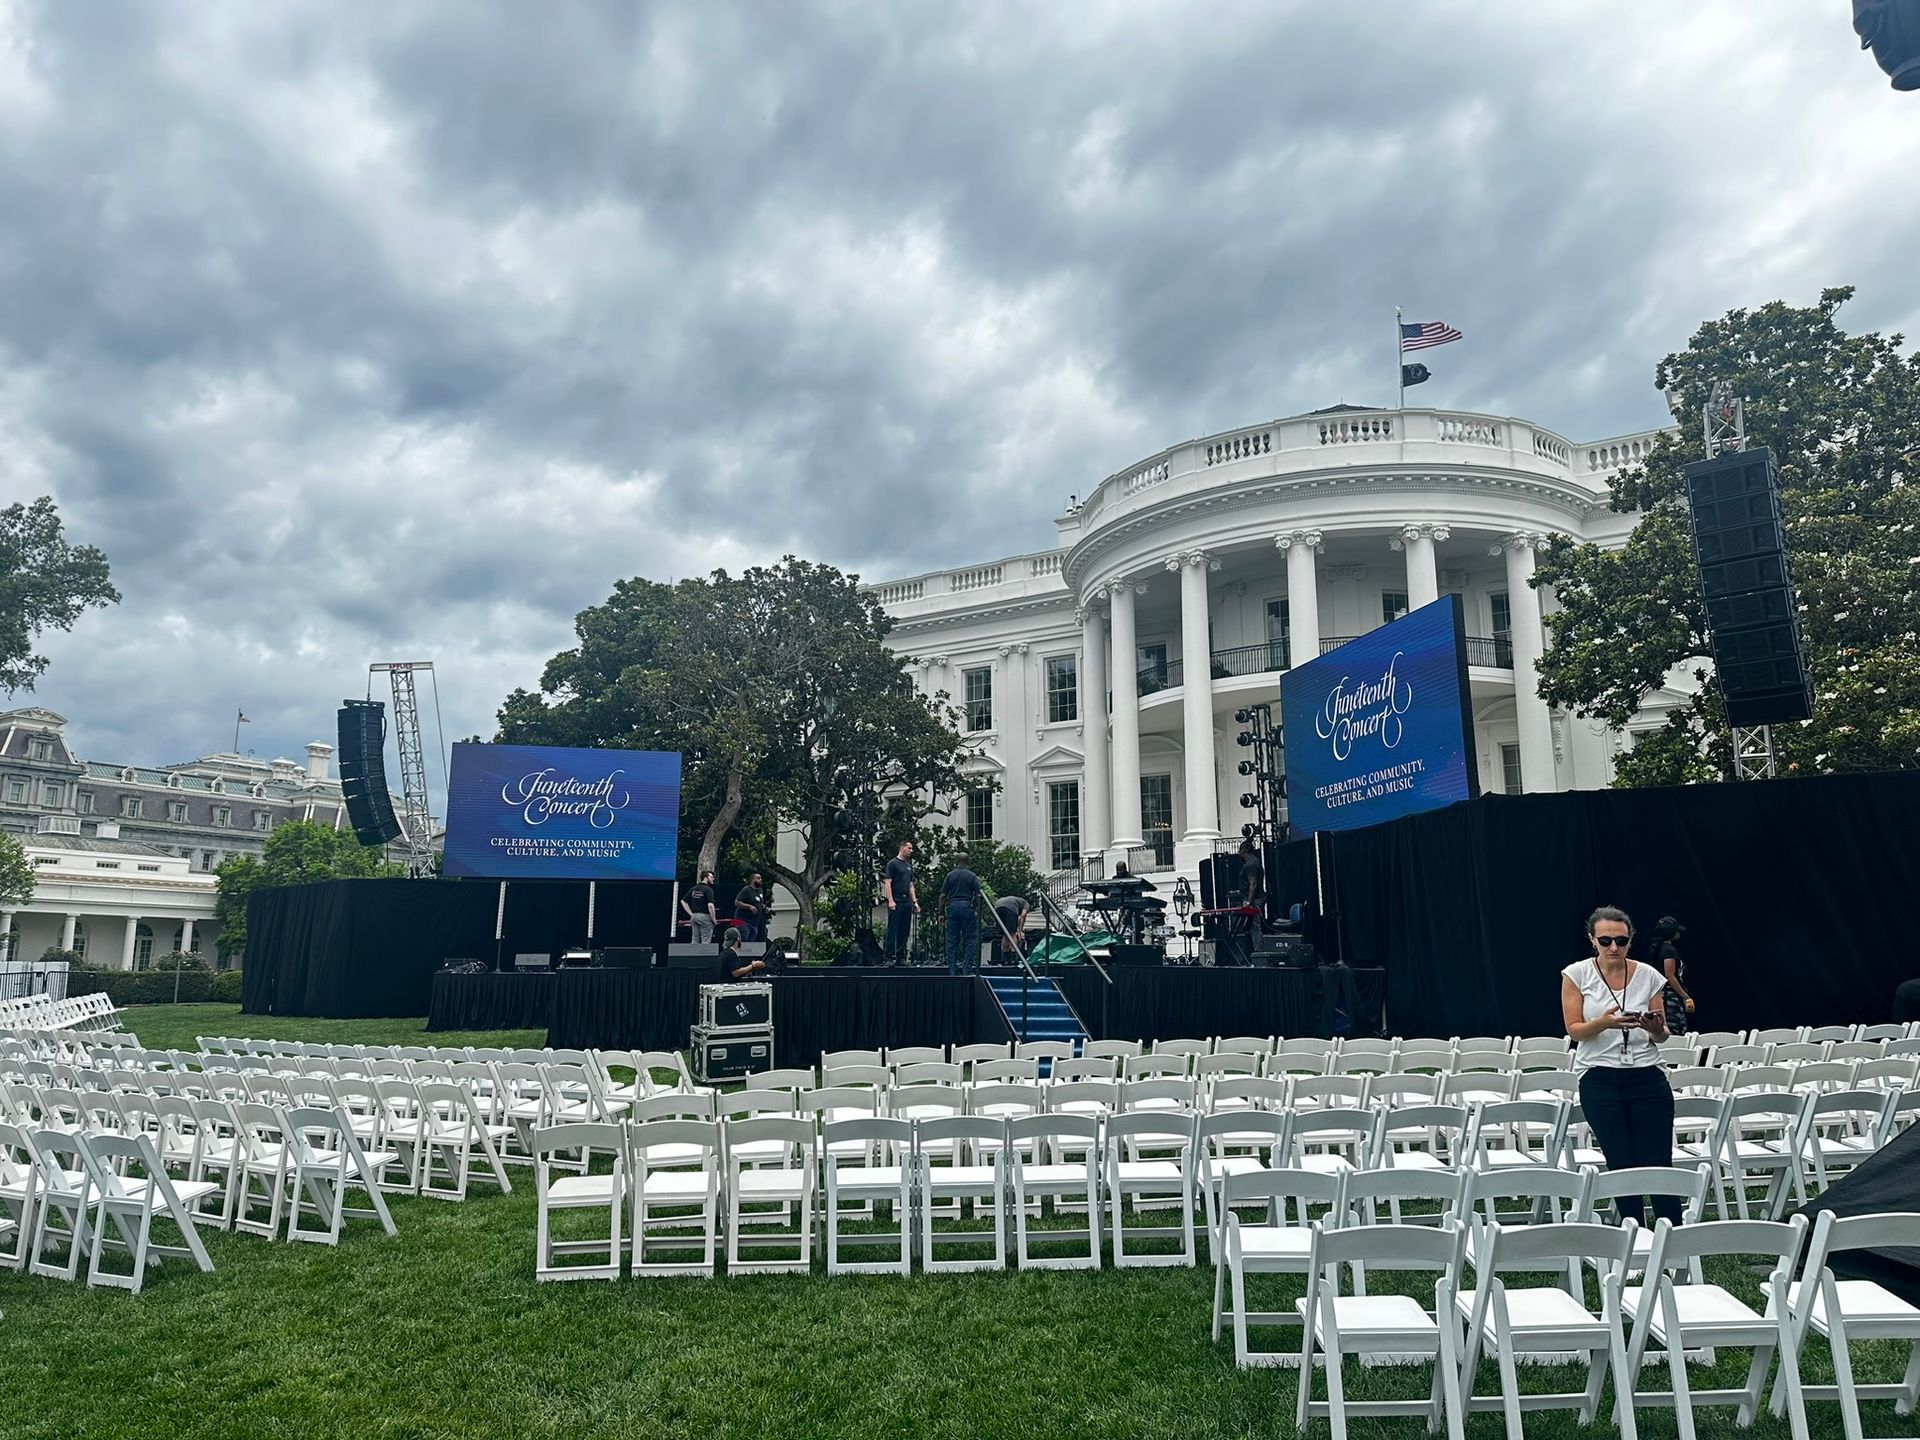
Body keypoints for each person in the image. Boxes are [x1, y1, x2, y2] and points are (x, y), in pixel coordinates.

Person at [1561, 904, 1682, 1226]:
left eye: (1621, 940)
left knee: (1658, 1160)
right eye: (1605, 941)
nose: (1613, 947)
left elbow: (1663, 1035)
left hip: (1647, 1074)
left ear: (1631, 940)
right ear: (1592, 940)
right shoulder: (1577, 974)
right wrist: (1603, 1023)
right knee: (1621, 1160)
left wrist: (1655, 1027)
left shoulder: (1648, 975)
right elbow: (1574, 1029)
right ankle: (1633, 1233)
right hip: (1599, 1075)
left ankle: (1671, 1232)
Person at [941, 853, 983, 975]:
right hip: (966, 906)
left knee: (952, 939)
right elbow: (978, 895)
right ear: (968, 861)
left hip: (953, 906)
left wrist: (940, 913)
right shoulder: (972, 876)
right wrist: (974, 907)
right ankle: (967, 969)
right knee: (970, 939)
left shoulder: (950, 875)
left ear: (957, 861)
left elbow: (943, 896)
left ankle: (952, 969)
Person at [1648, 915, 1693, 1020]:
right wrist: (1685, 996)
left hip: (1660, 995)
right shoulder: (1669, 950)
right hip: (1669, 997)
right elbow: (1670, 976)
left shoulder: (1657, 948)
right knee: (1676, 1027)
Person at [883, 841, 919, 964]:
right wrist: (890, 900)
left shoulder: (908, 866)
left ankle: (900, 956)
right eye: (909, 848)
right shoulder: (892, 864)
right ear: (902, 848)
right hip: (896, 900)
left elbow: (910, 885)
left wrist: (915, 902)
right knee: (893, 928)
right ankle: (888, 956)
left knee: (904, 929)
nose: (911, 850)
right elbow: (888, 883)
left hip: (906, 901)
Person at [681, 870, 719, 945]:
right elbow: (710, 905)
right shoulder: (708, 890)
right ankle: (704, 956)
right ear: (706, 878)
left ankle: (692, 955)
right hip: (705, 917)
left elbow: (683, 901)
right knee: (706, 941)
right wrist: (714, 919)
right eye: (711, 877)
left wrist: (691, 914)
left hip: (694, 917)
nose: (713, 879)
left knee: (695, 939)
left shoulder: (694, 888)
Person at [992, 892, 1030, 962]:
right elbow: (1023, 916)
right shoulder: (1026, 904)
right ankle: (1013, 956)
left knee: (1005, 934)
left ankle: (1005, 957)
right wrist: (1019, 930)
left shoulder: (1016, 900)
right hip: (1010, 908)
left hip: (997, 906)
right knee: (1012, 933)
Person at [733, 872, 768, 942]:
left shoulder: (760, 891)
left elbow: (759, 903)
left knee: (751, 944)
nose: (760, 880)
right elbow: (737, 902)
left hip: (754, 922)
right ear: (752, 880)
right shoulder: (746, 890)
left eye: (761, 878)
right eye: (758, 878)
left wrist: (764, 907)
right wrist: (749, 907)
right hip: (743, 921)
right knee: (744, 940)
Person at [1237, 839, 1265, 909]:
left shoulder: (1250, 865)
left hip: (1254, 899)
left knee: (1253, 919)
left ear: (1243, 851)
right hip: (1256, 898)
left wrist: (1249, 902)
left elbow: (1253, 884)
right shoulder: (1255, 861)